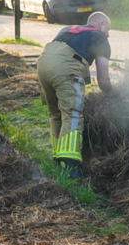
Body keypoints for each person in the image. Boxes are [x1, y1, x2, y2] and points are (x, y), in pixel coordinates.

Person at [37, 11, 113, 180]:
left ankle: (58, 159)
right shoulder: (100, 37)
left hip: (43, 64)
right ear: (100, 25)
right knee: (72, 114)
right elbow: (103, 79)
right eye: (108, 29)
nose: (108, 34)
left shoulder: (69, 29)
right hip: (66, 66)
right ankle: (69, 169)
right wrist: (113, 93)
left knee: (56, 113)